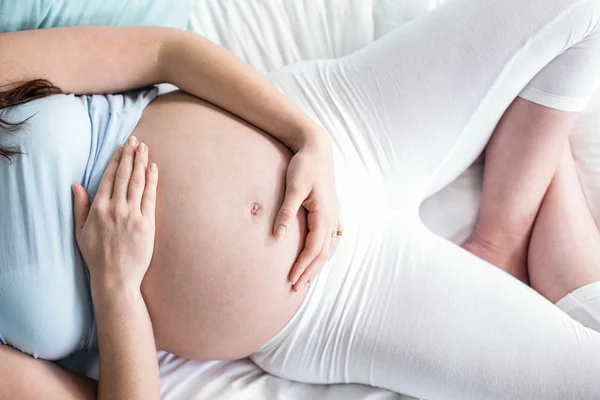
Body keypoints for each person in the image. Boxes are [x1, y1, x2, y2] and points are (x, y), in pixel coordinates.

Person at [2, 0, 600, 398]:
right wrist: (116, 285)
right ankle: (532, 190)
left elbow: (163, 52)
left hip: (344, 123)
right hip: (332, 306)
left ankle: (500, 233)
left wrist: (307, 137)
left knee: (579, 9)